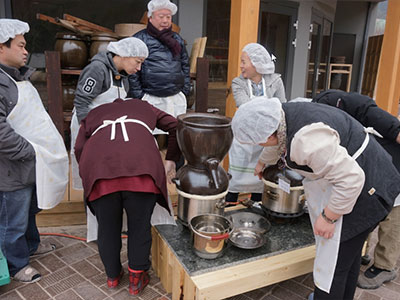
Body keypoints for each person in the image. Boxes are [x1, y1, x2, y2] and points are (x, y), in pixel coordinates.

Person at [231, 96, 400, 300]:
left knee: (331, 269)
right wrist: (263, 163)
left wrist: (329, 217)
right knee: (348, 258)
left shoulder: (307, 139)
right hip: (373, 177)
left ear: (266, 135)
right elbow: (275, 140)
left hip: (367, 191)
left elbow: (352, 179)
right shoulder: (284, 115)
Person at [74, 97, 180, 295]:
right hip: (141, 171)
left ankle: (113, 276)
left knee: (107, 227)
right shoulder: (143, 106)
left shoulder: (93, 114)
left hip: (101, 176)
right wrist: (172, 159)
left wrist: (91, 171)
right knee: (139, 226)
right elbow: (176, 126)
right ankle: (136, 279)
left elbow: (79, 148)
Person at [0, 19, 68, 283]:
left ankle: (31, 246)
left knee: (28, 212)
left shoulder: (16, 77)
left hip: (28, 165)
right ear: (1, 47)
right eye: (20, 45)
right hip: (11, 169)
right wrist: (29, 151)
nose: (26, 51)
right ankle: (17, 266)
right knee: (12, 221)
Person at [313, 90, 400, 289]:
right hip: (370, 172)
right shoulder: (327, 116)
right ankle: (360, 253)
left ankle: (385, 266)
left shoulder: (370, 116)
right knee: (363, 216)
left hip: (392, 168)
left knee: (392, 221)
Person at [71, 37, 149, 242]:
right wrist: (87, 132)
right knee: (92, 178)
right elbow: (81, 101)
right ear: (123, 55)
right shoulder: (97, 70)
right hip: (89, 130)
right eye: (137, 62)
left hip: (107, 133)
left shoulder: (122, 74)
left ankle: (111, 225)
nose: (139, 68)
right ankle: (96, 228)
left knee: (108, 176)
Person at [227, 43, 286, 204]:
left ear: (256, 63)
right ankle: (229, 205)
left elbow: (283, 108)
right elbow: (246, 108)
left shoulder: (276, 81)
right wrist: (269, 111)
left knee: (260, 179)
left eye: (244, 61)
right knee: (235, 179)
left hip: (267, 139)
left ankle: (257, 206)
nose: (241, 66)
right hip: (245, 137)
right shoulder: (238, 83)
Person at [127, 0, 190, 144]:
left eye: (168, 17)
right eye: (161, 16)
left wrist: (185, 90)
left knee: (177, 135)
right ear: (150, 18)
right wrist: (139, 95)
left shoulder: (177, 39)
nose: (165, 21)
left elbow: (185, 65)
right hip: (149, 97)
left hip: (175, 97)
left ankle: (176, 166)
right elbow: (132, 72)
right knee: (145, 137)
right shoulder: (139, 39)